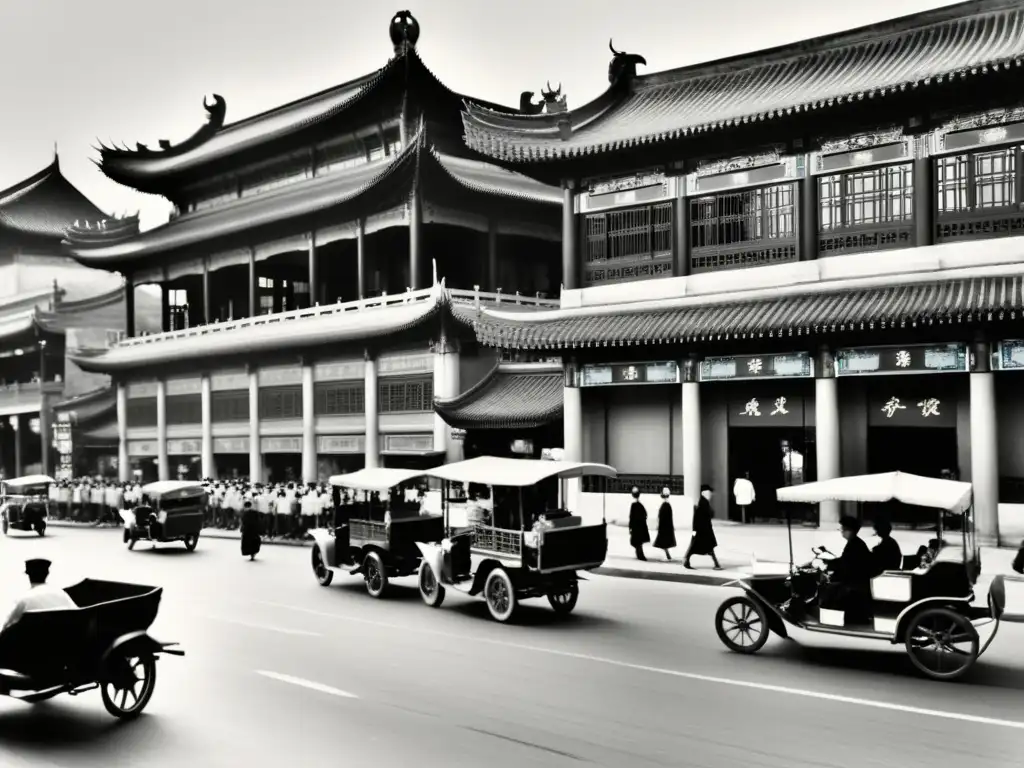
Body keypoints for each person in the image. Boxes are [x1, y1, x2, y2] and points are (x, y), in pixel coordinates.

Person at [2, 559, 76, 632]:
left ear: (29, 575)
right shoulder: (62, 594)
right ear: (47, 573)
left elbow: (7, 627)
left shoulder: (24, 599)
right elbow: (79, 616)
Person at [820, 516, 873, 612]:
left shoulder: (855, 545)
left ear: (850, 530)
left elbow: (847, 565)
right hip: (854, 580)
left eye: (843, 529)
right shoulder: (855, 543)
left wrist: (830, 566)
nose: (841, 531)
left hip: (854, 582)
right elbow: (845, 561)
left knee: (827, 588)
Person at [685, 484, 721, 570]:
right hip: (702, 531)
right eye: (708, 493)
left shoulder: (704, 502)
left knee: (705, 547)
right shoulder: (702, 504)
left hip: (705, 530)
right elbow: (697, 518)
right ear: (703, 493)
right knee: (697, 547)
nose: (710, 495)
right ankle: (686, 560)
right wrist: (695, 530)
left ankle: (716, 564)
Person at [653, 487, 676, 560]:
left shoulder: (665, 505)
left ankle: (667, 555)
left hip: (664, 527)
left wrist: (659, 525)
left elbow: (661, 517)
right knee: (664, 542)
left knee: (663, 542)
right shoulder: (668, 505)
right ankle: (667, 554)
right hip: (667, 527)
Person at [627, 487, 650, 561]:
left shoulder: (633, 505)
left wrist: (630, 527)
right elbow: (645, 515)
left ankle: (640, 555)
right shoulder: (640, 505)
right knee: (639, 542)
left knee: (636, 542)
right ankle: (640, 555)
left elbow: (631, 517)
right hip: (640, 526)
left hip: (635, 527)